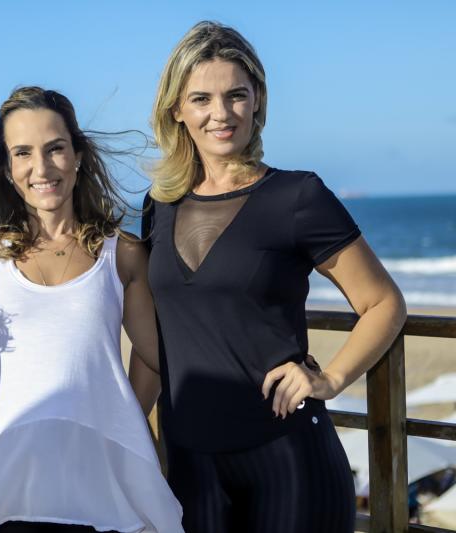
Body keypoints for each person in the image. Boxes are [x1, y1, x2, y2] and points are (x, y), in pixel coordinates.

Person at [143, 21, 407, 533]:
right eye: (201, 99)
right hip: (192, 464)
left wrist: (330, 378)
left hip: (287, 458)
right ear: (176, 109)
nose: (221, 114)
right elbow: (157, 333)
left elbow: (383, 303)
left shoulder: (297, 197)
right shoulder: (160, 206)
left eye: (236, 95)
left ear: (258, 100)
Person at [0, 87, 183, 532]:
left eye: (55, 148)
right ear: (7, 169)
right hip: (6, 482)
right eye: (23, 153)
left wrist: (117, 423)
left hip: (100, 483)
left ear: (78, 156)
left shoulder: (122, 254)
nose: (42, 167)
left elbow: (157, 355)